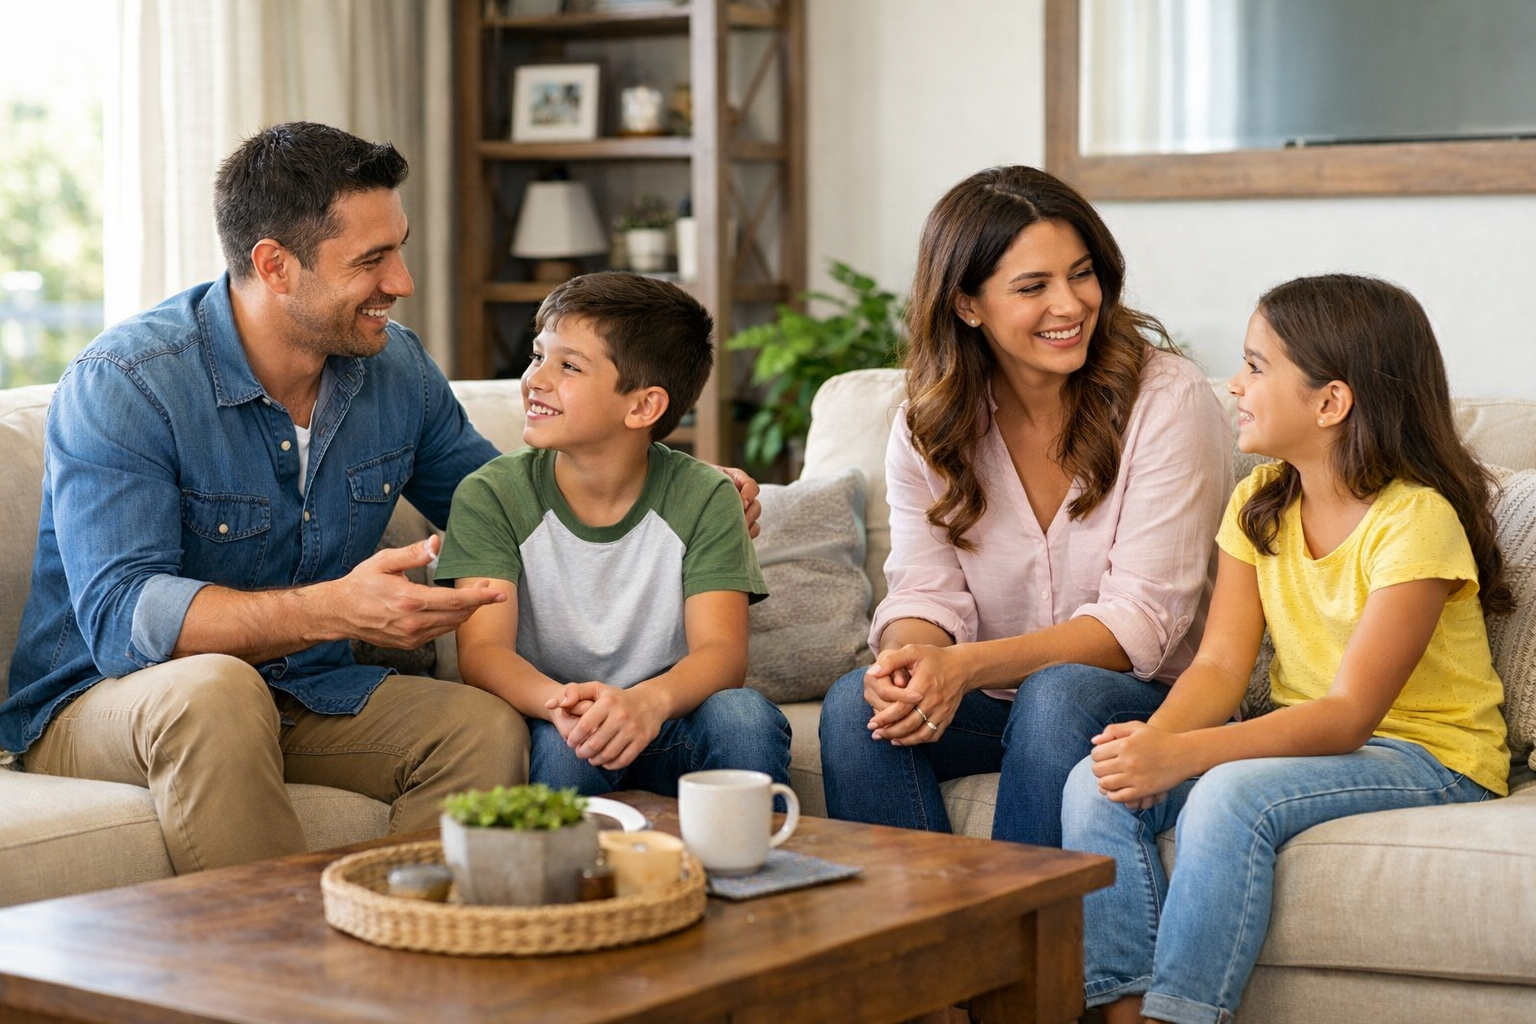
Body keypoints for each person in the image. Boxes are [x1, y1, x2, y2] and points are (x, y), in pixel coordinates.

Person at [0, 123, 761, 874]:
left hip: (307, 689)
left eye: (398, 247)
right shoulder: (129, 383)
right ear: (274, 265)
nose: (401, 282)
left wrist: (674, 486)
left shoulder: (393, 368)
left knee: (478, 725)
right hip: (105, 701)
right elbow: (119, 618)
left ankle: (415, 955)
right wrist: (330, 609)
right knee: (217, 687)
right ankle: (289, 985)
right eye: (373, 259)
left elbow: (501, 501)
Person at [1062, 274, 1511, 1024]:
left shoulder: (1415, 521)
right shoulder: (1259, 502)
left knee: (1229, 794)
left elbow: (1347, 717)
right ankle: (1122, 1011)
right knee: (1095, 782)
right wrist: (1157, 743)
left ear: (1331, 402)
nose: (1234, 384)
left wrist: (1189, 757)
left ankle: (1180, 1015)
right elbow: (1217, 665)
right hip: (1316, 744)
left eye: (1256, 366)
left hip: (1431, 756)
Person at [818, 165, 1232, 847]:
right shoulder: (928, 425)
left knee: (1057, 694)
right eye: (1033, 287)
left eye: (1081, 274)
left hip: (1145, 701)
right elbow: (925, 591)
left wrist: (966, 667)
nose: (1069, 305)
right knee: (852, 708)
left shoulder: (1168, 401)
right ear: (967, 305)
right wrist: (911, 665)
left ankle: (1018, 945)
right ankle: (924, 943)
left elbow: (1141, 623)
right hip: (997, 704)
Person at [436, 272, 791, 797]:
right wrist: (572, 709)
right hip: (561, 718)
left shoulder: (705, 496)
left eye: (569, 366)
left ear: (643, 406)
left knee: (742, 716)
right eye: (538, 356)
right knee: (565, 747)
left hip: (671, 717)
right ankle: (568, 879)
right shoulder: (490, 494)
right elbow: (484, 652)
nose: (535, 379)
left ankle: (752, 875)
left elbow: (722, 653)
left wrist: (647, 703)